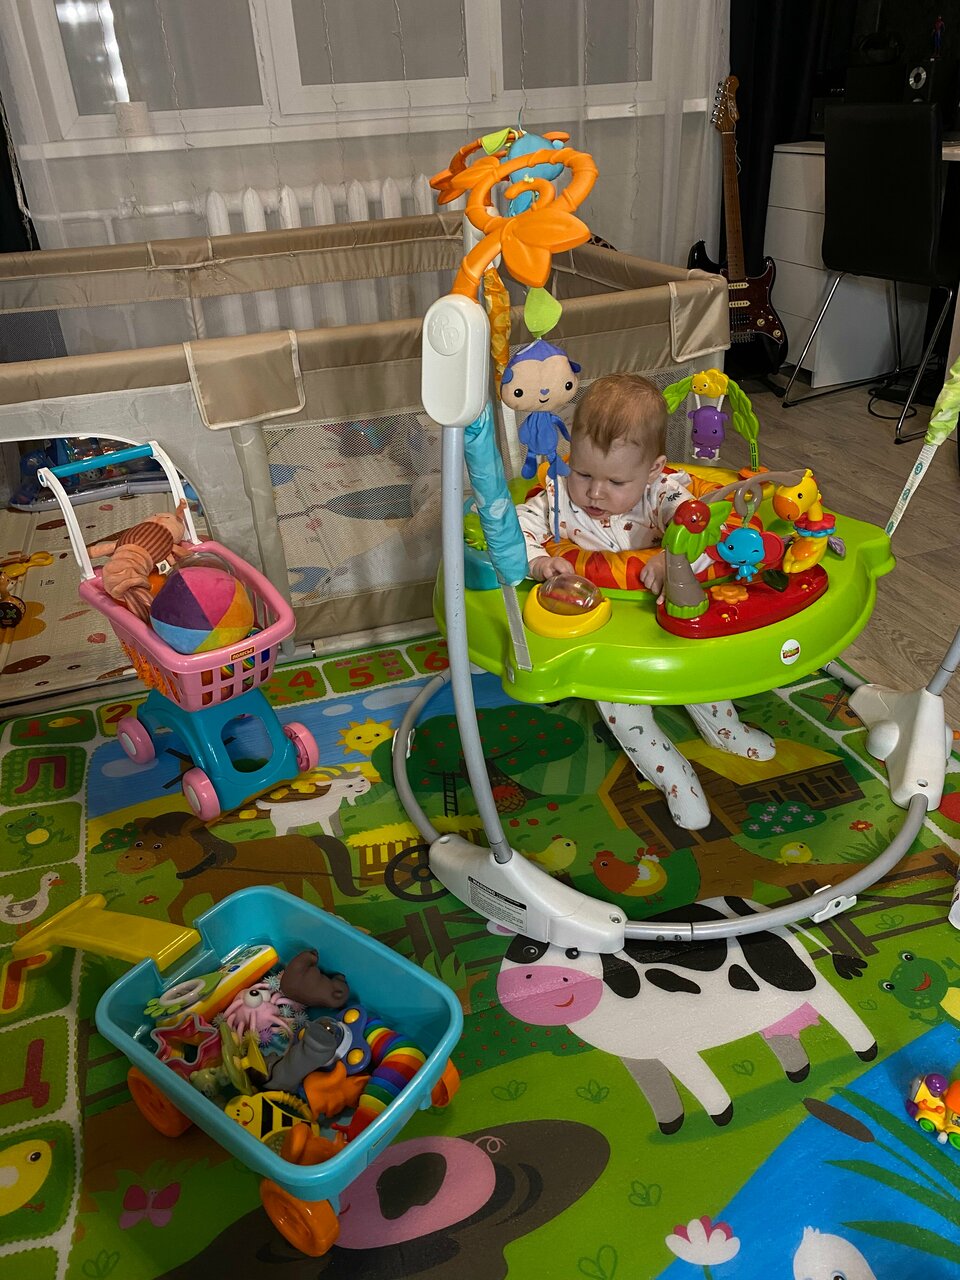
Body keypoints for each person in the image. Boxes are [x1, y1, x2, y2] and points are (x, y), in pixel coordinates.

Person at [515, 372, 775, 829]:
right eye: (584, 473)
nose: (595, 493)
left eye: (616, 481)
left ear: (653, 470)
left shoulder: (664, 492)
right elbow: (515, 529)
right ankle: (670, 774)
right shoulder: (559, 495)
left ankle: (723, 728)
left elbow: (703, 529)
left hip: (662, 613)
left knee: (699, 667)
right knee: (622, 701)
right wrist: (538, 561)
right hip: (603, 621)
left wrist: (672, 557)